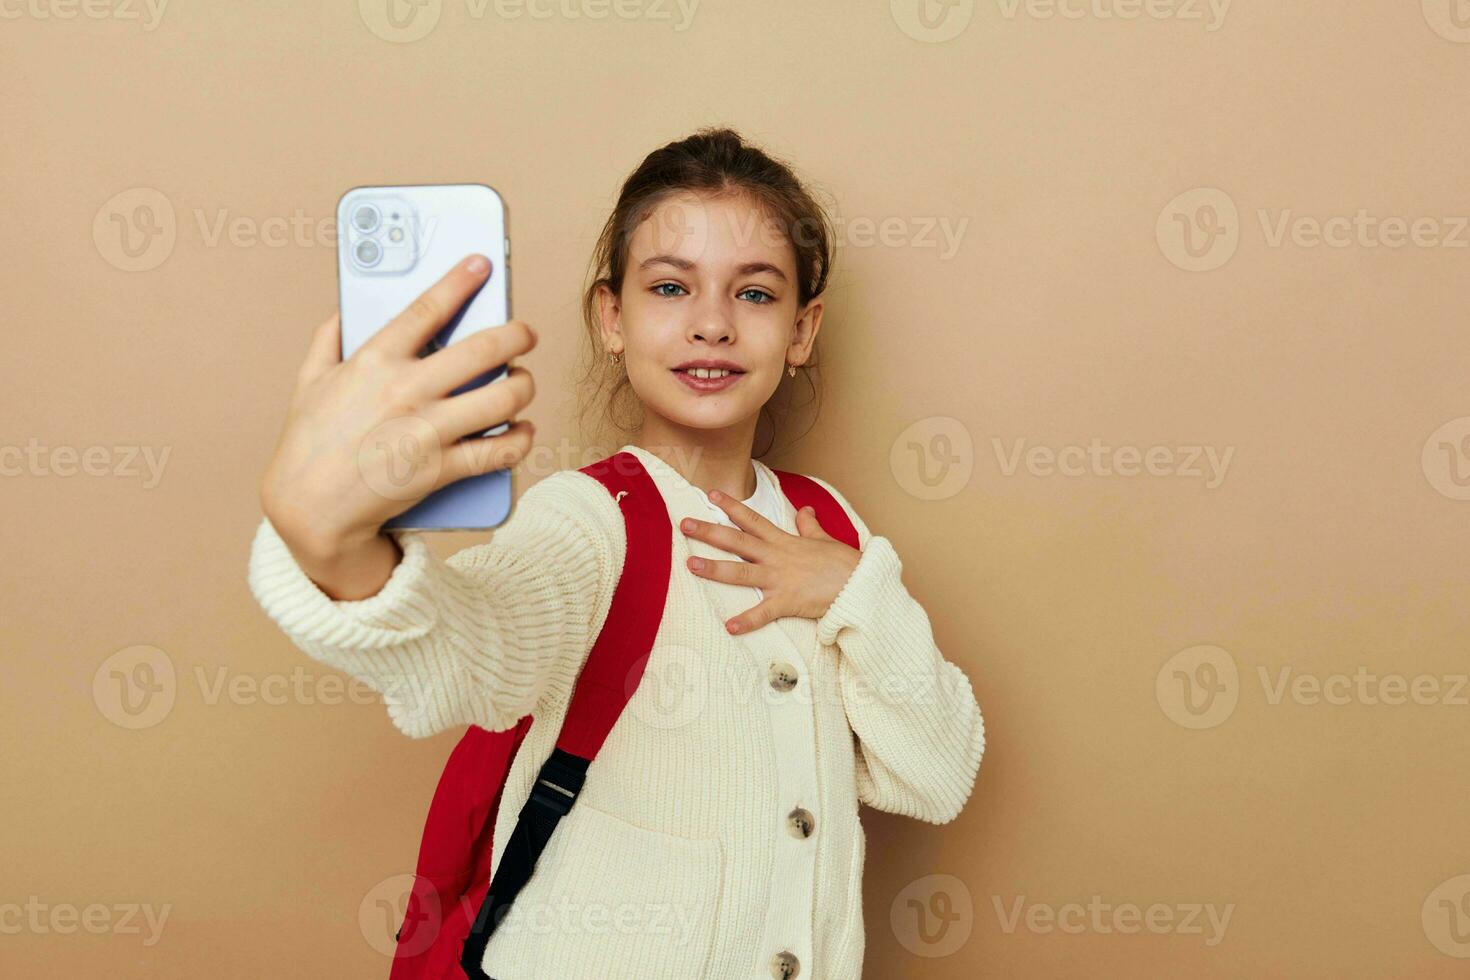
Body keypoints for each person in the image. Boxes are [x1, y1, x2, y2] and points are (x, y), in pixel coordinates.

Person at [248, 127, 985, 980]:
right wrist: (332, 548)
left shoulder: (829, 528)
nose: (711, 324)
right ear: (612, 318)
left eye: (754, 294)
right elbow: (468, 652)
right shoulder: (594, 517)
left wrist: (854, 590)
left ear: (802, 330)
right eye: (670, 286)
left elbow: (936, 774)